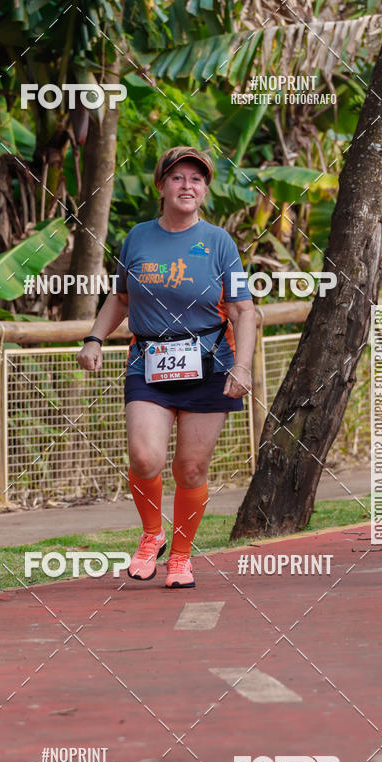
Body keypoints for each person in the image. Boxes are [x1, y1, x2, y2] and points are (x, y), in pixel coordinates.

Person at [77, 147, 256, 588]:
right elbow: (121, 299)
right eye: (178, 178)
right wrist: (95, 338)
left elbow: (243, 311)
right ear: (161, 186)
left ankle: (180, 556)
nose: (187, 186)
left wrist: (244, 367)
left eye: (197, 179)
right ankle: (151, 533)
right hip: (148, 362)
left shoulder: (218, 243)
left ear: (205, 190)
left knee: (190, 469)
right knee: (144, 457)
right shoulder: (138, 238)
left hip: (210, 365)